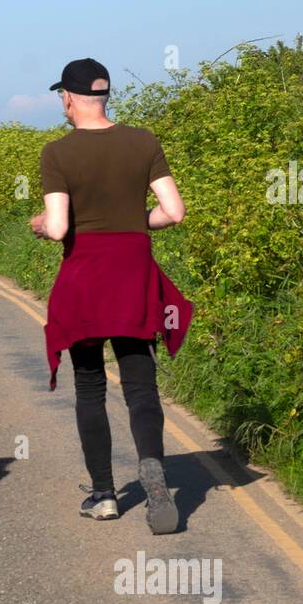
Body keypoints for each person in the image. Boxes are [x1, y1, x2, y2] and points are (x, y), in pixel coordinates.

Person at [30, 59, 193, 534]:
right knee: (141, 384)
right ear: (104, 95)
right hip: (132, 275)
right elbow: (174, 212)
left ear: (68, 98)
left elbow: (58, 227)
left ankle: (104, 495)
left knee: (90, 386)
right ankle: (154, 474)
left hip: (85, 280)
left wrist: (39, 224)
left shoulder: (57, 152)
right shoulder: (143, 142)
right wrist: (132, 222)